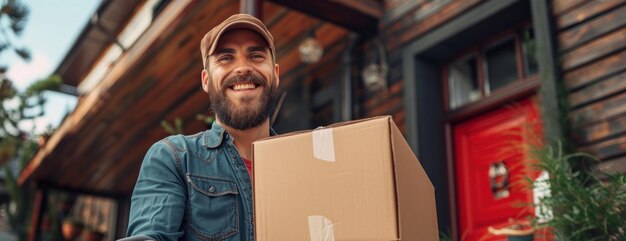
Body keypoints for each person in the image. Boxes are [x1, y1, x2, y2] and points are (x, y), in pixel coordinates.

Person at [125, 14, 279, 241]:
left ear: (275, 74)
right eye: (226, 58)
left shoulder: (304, 165)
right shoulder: (174, 158)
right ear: (206, 80)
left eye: (256, 56)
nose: (242, 68)